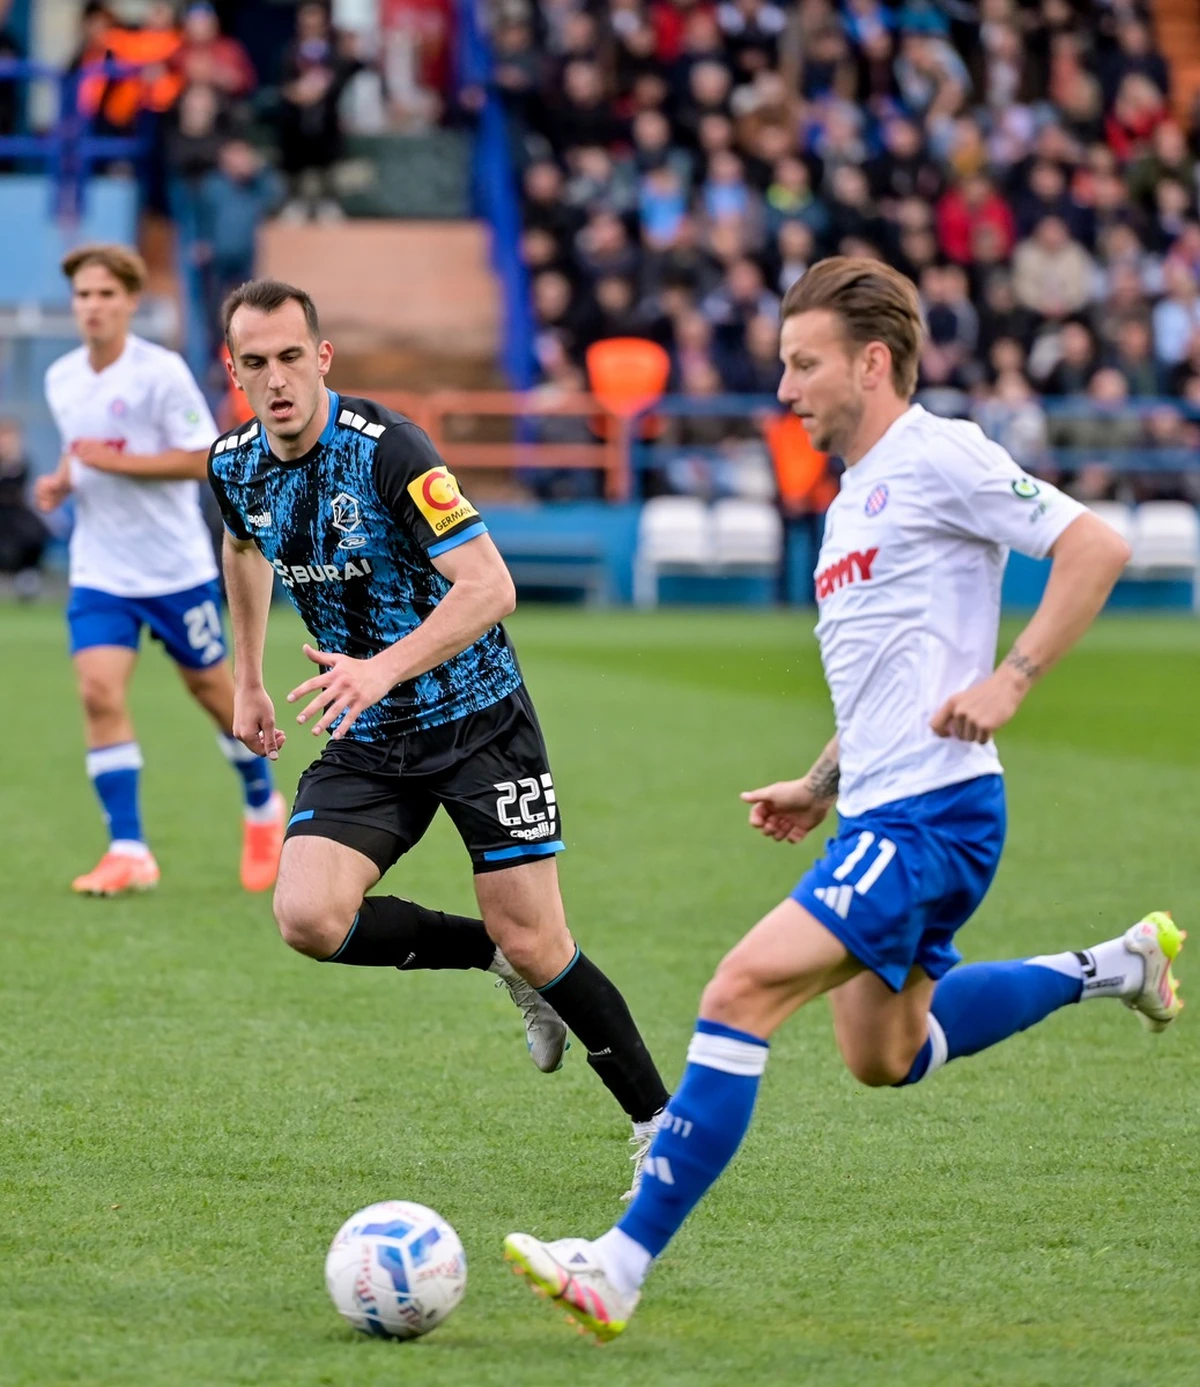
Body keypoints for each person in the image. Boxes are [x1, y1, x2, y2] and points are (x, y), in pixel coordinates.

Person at [503, 256, 1185, 1340]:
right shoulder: (855, 494)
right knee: (885, 1055)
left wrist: (1011, 680)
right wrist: (822, 784)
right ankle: (1119, 964)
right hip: (888, 811)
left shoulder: (939, 453)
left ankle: (619, 1263)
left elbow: (1096, 543)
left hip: (934, 817)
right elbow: (888, 674)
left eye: (802, 364)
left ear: (872, 363)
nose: (784, 390)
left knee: (738, 991)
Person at [206, 279, 670, 1195]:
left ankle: (661, 1125)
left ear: (322, 357)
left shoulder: (390, 450)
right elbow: (242, 548)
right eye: (255, 364)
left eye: (292, 357)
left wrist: (381, 666)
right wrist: (248, 676)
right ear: (234, 373)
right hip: (369, 726)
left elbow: (490, 585)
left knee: (542, 938)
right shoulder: (233, 464)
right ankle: (492, 959)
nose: (277, 379)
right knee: (306, 916)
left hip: (475, 718)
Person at [35, 244, 284, 897]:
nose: (92, 306)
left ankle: (262, 804)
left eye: (105, 294)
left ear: (129, 302)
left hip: (174, 569)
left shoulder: (161, 373)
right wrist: (62, 479)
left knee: (213, 696)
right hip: (101, 570)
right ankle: (128, 847)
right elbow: (80, 448)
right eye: (84, 295)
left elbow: (207, 456)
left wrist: (110, 462)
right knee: (97, 691)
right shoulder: (62, 376)